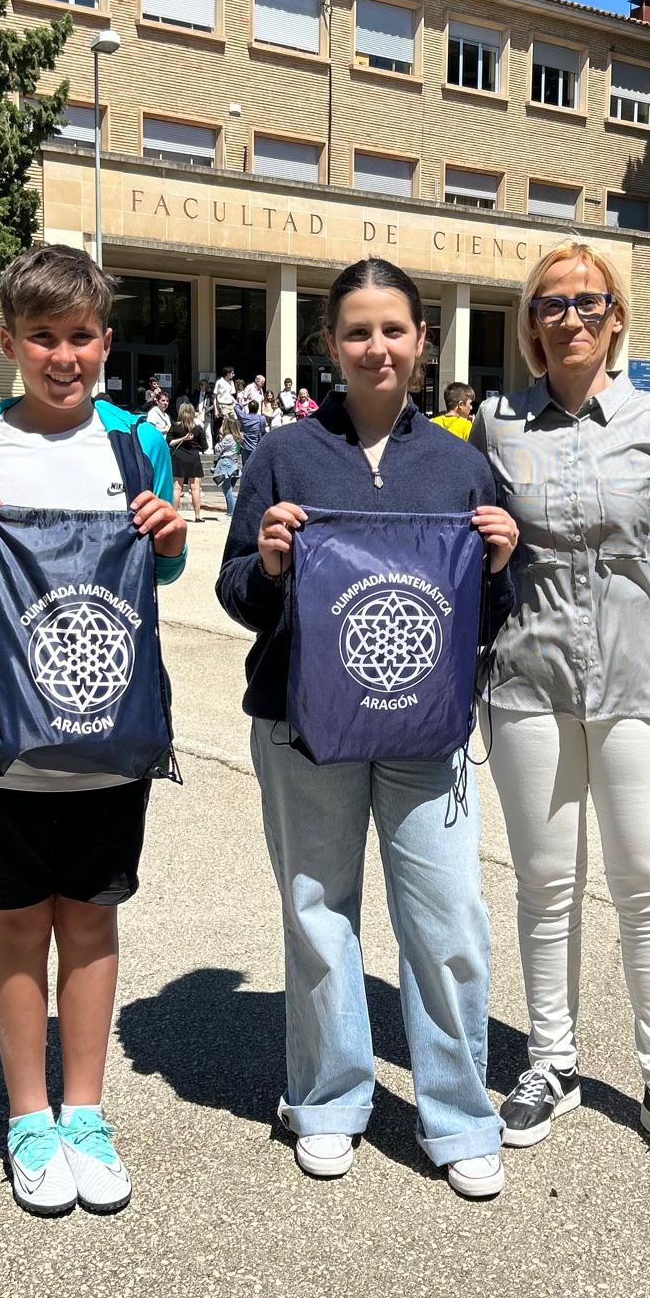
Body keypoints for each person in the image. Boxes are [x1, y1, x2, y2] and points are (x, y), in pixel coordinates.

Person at [215, 256, 518, 1200]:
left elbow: (485, 614)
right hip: (304, 727)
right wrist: (266, 566)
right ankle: (329, 1097)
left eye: (394, 329)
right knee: (318, 911)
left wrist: (502, 564)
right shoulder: (283, 454)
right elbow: (234, 592)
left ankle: (459, 1114)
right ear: (329, 345)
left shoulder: (462, 462)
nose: (375, 347)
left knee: (448, 920)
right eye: (357, 331)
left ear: (423, 342)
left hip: (425, 734)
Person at [0, 243, 187, 1216]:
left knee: (95, 916)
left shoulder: (133, 440)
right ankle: (28, 1116)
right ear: (9, 339)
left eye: (81, 337)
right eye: (42, 337)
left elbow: (157, 581)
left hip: (109, 725)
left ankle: (87, 1109)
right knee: (21, 917)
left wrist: (172, 537)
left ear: (104, 340)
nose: (63, 355)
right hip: (4, 731)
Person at [473, 240, 650, 1184]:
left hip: (639, 688)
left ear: (616, 317)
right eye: (550, 303)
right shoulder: (497, 425)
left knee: (649, 882)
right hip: (527, 686)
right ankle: (551, 1062)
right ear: (530, 322)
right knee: (545, 884)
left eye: (587, 302)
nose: (568, 317)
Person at [167, 401, 208, 523]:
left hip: (178, 457)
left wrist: (182, 439)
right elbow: (204, 447)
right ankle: (197, 516)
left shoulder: (175, 426)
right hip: (193, 458)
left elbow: (169, 442)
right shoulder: (198, 428)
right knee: (195, 488)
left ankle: (174, 515)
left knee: (177, 488)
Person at [212, 410, 244, 513]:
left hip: (225, 463)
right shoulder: (238, 437)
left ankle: (231, 512)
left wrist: (219, 440)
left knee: (227, 489)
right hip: (233, 463)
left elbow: (218, 449)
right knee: (228, 489)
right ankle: (231, 510)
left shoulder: (228, 437)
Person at [236, 397, 266, 462]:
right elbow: (263, 429)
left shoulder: (244, 417)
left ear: (249, 408)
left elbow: (236, 408)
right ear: (258, 408)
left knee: (245, 466)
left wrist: (243, 404)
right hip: (257, 446)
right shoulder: (261, 419)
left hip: (245, 446)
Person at [213, 366, 237, 443]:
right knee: (225, 422)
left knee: (233, 422)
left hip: (231, 405)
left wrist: (236, 403)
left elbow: (231, 394)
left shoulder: (231, 382)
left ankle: (230, 439)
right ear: (227, 373)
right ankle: (222, 438)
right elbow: (215, 396)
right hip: (223, 405)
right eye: (232, 373)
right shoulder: (219, 382)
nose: (233, 375)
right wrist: (216, 410)